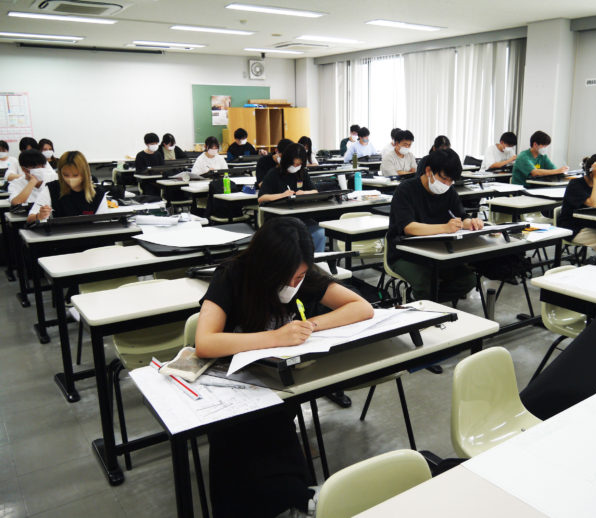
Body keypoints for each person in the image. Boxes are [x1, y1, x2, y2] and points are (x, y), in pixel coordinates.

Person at [195, 216, 373, 518]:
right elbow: (205, 342)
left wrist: (311, 325)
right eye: (288, 277)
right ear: (266, 267)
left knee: (278, 424)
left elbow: (362, 307)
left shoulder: (301, 273)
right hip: (233, 390)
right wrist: (274, 337)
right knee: (242, 447)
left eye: (300, 277)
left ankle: (291, 496)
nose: (294, 285)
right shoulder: (232, 275)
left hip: (279, 385)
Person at [387, 149, 483, 301]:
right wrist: (445, 227)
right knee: (425, 282)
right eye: (444, 178)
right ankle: (424, 301)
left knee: (467, 280)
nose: (446, 184)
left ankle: (423, 300)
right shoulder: (406, 190)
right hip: (405, 254)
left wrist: (470, 223)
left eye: (451, 181)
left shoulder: (449, 192)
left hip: (438, 251)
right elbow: (409, 227)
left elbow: (461, 217)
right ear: (428, 170)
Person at [258, 143, 326, 252]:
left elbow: (315, 191)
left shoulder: (302, 173)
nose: (295, 167)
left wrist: (303, 193)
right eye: (293, 164)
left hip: (301, 216)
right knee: (292, 237)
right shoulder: (273, 174)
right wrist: (282, 195)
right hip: (279, 219)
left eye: (298, 164)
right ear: (286, 161)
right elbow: (261, 198)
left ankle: (315, 265)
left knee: (319, 232)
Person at [27, 151, 107, 224]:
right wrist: (39, 216)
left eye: (75, 175)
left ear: (84, 173)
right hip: (61, 235)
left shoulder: (98, 193)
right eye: (65, 175)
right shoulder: (52, 188)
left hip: (89, 236)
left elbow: (102, 225)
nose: (70, 179)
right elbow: (30, 219)